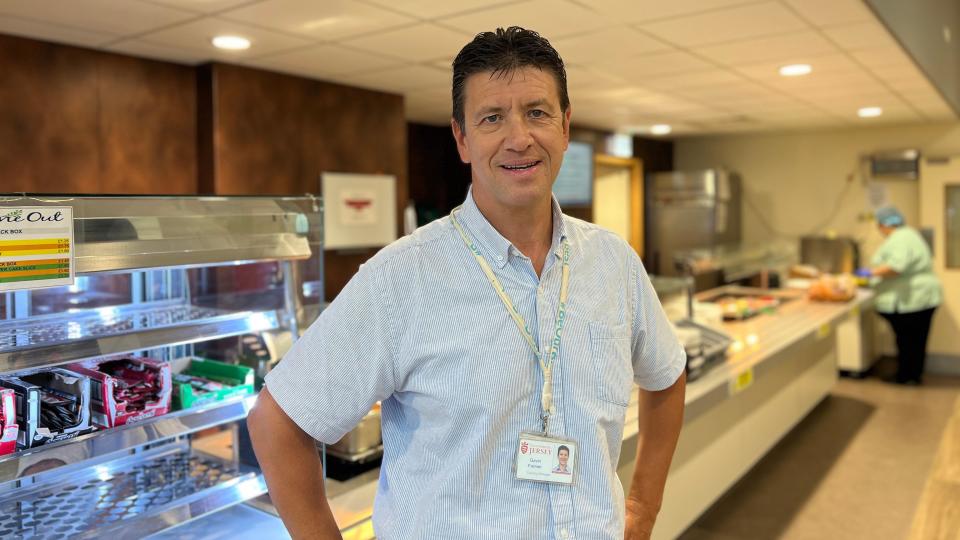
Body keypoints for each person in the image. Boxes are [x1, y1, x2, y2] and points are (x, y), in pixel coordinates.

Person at [247, 26, 686, 540]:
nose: (519, 137)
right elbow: (278, 422)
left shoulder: (613, 263)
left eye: (537, 112)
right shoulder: (400, 277)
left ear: (565, 126)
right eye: (492, 117)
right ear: (462, 138)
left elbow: (666, 375)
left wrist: (640, 510)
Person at [862, 205, 942, 385]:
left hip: (912, 299)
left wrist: (869, 273)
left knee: (908, 341)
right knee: (916, 341)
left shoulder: (899, 238)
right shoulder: (909, 234)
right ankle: (912, 375)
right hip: (921, 298)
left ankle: (906, 376)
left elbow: (895, 267)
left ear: (884, 224)